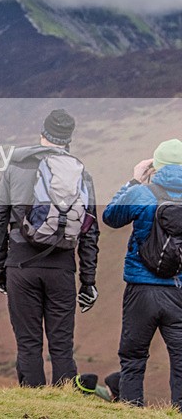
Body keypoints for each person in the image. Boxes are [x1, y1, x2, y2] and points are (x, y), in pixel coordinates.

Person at [0, 109, 100, 387]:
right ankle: (64, 406)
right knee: (62, 346)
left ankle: (34, 408)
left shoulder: (16, 167)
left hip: (20, 266)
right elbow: (90, 231)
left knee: (28, 345)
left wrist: (0, 266)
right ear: (68, 139)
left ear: (43, 133)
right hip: (62, 269)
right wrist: (88, 281)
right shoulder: (81, 174)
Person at [102, 138, 182, 408]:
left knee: (133, 358)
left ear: (157, 166)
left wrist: (135, 181)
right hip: (179, 290)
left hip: (141, 289)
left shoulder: (144, 193)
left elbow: (111, 217)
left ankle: (132, 410)